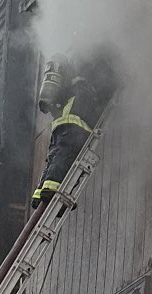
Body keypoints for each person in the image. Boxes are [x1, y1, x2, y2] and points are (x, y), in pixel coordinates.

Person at [31, 52, 116, 207]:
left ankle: (40, 193)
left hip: (61, 124)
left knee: (54, 157)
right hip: (75, 125)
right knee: (67, 159)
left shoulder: (73, 79)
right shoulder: (86, 84)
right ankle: (51, 191)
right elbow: (107, 88)